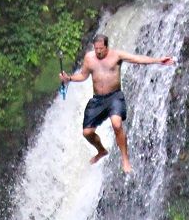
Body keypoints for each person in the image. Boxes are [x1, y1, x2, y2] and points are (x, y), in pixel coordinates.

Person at [59, 34, 175, 174]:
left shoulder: (117, 56)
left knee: (117, 124)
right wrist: (69, 78)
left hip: (114, 97)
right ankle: (101, 151)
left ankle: (125, 159)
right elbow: (83, 75)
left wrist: (158, 60)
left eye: (101, 49)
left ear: (107, 47)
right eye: (96, 49)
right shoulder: (89, 58)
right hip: (97, 100)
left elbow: (138, 59)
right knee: (87, 132)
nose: (98, 52)